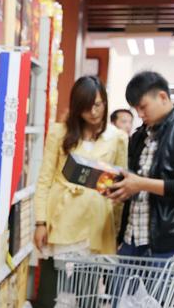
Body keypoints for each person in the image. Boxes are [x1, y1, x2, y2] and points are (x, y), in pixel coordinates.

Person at [33, 76, 128, 308]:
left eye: (98, 104)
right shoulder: (60, 132)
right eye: (86, 107)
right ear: (77, 108)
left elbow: (120, 189)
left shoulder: (117, 138)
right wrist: (40, 222)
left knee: (86, 296)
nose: (94, 112)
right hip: (60, 221)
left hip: (95, 225)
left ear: (105, 102)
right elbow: (44, 179)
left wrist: (115, 229)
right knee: (49, 294)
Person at [107, 71, 174, 258]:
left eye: (143, 107)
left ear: (163, 97)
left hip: (171, 244)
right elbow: (134, 179)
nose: (140, 114)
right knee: (119, 288)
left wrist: (142, 184)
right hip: (132, 239)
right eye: (136, 109)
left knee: (161, 289)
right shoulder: (140, 136)